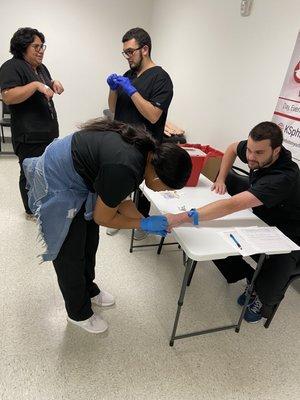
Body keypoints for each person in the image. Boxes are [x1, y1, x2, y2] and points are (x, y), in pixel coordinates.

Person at [22, 118, 192, 334]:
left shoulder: (145, 153)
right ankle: (78, 313)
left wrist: (142, 219)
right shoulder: (126, 166)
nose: (162, 191)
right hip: (59, 177)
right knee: (70, 251)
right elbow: (103, 218)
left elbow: (119, 199)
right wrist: (143, 223)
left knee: (89, 240)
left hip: (81, 174)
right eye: (165, 188)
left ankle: (89, 290)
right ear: (157, 175)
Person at [166, 121, 300, 323]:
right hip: (263, 215)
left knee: (274, 272)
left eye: (258, 153)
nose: (250, 157)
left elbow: (231, 205)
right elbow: (231, 148)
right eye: (250, 151)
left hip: (290, 233)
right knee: (215, 238)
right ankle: (249, 276)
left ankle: (261, 297)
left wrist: (181, 218)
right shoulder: (257, 148)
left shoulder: (283, 177)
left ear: (276, 151)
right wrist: (220, 178)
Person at [106, 27, 173, 238]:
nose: (127, 57)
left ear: (145, 49)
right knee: (119, 181)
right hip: (122, 141)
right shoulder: (129, 75)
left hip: (144, 144)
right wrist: (113, 89)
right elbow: (114, 109)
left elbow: (153, 115)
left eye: (130, 52)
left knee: (141, 186)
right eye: (124, 52)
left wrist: (132, 90)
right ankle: (116, 215)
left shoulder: (161, 78)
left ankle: (141, 222)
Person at [0, 27, 64, 220]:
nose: (41, 50)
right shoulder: (12, 67)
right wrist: (36, 85)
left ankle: (43, 204)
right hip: (29, 136)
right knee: (29, 173)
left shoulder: (40, 68)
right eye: (35, 46)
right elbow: (8, 96)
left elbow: (44, 84)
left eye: (42, 46)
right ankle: (30, 211)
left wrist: (53, 83)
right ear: (22, 48)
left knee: (45, 172)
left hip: (47, 132)